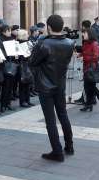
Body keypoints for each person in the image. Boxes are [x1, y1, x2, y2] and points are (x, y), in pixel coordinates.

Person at [29, 15, 74, 162]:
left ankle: (57, 152)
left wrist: (39, 43)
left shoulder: (44, 44)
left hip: (45, 86)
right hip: (60, 84)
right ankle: (69, 146)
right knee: (63, 115)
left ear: (48, 27)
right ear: (61, 26)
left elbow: (32, 61)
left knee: (50, 120)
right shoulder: (69, 42)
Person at [79, 27, 99, 113]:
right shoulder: (85, 43)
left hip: (92, 68)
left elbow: (96, 57)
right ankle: (89, 105)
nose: (83, 35)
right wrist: (79, 54)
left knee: (92, 87)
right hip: (86, 68)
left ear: (89, 34)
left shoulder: (94, 43)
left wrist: (83, 58)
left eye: (84, 33)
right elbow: (84, 52)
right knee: (86, 87)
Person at [0, 24, 18, 113]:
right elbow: (0, 53)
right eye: (8, 31)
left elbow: (15, 50)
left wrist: (16, 53)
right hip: (4, 65)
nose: (10, 32)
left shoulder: (12, 39)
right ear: (4, 31)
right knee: (5, 86)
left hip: (12, 63)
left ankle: (8, 103)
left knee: (10, 86)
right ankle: (3, 105)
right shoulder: (0, 40)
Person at [17, 29, 34, 107]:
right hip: (22, 65)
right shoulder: (17, 43)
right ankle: (22, 101)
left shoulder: (28, 43)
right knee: (22, 84)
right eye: (26, 34)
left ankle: (27, 100)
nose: (28, 35)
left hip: (28, 64)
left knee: (28, 83)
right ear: (23, 36)